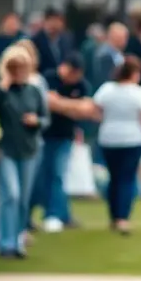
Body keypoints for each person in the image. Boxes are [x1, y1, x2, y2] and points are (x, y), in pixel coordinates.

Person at [0, 45, 48, 258]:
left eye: (22, 67)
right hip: (6, 149)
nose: (19, 72)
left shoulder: (33, 90)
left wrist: (37, 121)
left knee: (24, 199)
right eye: (14, 67)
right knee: (11, 195)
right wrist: (4, 85)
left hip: (29, 150)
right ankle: (5, 242)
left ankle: (17, 240)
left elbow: (45, 118)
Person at [91, 55, 141, 234]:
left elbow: (95, 111)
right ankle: (123, 217)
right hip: (132, 139)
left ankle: (113, 215)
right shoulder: (140, 93)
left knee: (114, 177)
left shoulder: (106, 90)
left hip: (109, 138)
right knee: (127, 178)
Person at [36, 52, 93, 233]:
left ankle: (55, 214)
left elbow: (86, 109)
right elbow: (48, 102)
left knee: (58, 174)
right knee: (41, 176)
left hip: (65, 136)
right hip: (43, 135)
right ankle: (35, 216)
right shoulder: (49, 78)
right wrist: (72, 106)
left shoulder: (81, 84)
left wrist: (61, 105)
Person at [31, 7, 72, 76]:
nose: (54, 24)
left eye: (57, 21)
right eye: (51, 20)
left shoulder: (66, 39)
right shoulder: (36, 41)